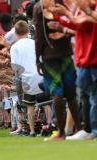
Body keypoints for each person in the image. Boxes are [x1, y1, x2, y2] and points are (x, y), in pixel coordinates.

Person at [33, 0, 81, 140]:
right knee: (71, 93)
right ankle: (79, 128)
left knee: (57, 92)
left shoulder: (39, 7)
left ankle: (61, 133)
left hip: (50, 56)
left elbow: (39, 37)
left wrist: (37, 59)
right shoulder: (66, 3)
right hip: (66, 53)